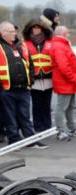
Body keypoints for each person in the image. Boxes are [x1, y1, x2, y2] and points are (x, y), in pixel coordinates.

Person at [0, 21, 47, 149]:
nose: (14, 33)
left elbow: (30, 65)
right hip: (7, 90)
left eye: (14, 31)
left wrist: (30, 82)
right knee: (10, 118)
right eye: (11, 31)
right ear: (2, 33)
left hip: (23, 89)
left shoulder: (21, 46)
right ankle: (14, 141)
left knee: (25, 116)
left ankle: (30, 140)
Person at [51, 26, 76, 140]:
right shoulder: (60, 46)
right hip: (66, 82)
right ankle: (60, 131)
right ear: (63, 33)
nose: (69, 35)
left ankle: (71, 128)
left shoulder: (62, 44)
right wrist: (73, 78)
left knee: (69, 107)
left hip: (69, 82)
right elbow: (63, 66)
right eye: (68, 33)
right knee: (62, 107)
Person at [23, 18, 54, 133]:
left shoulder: (50, 42)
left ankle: (47, 126)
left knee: (47, 105)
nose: (36, 30)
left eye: (38, 27)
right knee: (36, 105)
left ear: (43, 29)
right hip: (34, 80)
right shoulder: (25, 44)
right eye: (33, 27)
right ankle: (38, 127)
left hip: (48, 79)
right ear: (30, 29)